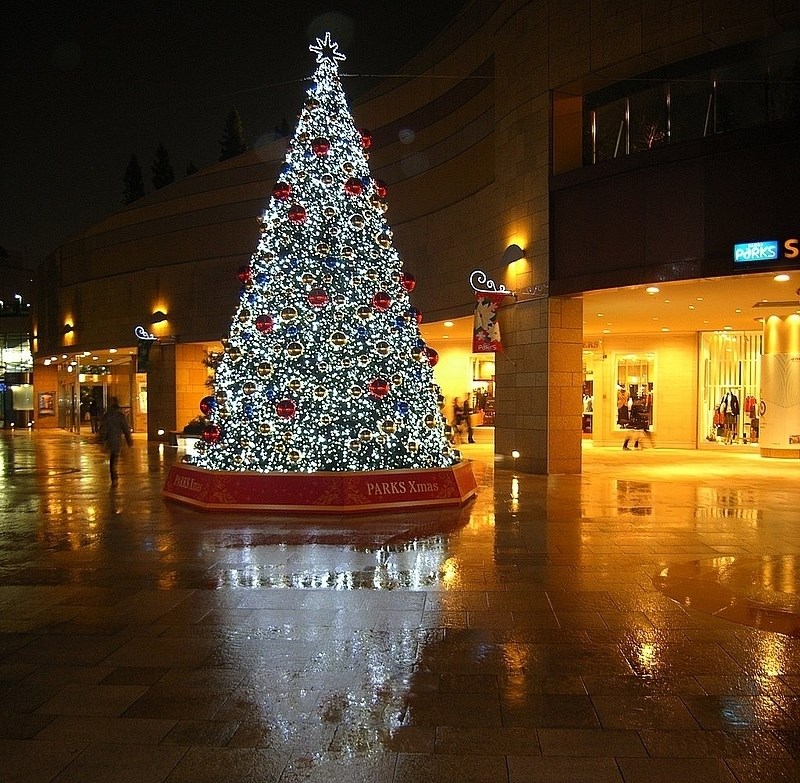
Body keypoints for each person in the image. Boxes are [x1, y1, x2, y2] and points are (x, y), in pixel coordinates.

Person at [98, 398, 133, 482]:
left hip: (109, 440)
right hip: (117, 440)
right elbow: (126, 429)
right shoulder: (120, 416)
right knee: (114, 458)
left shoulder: (107, 415)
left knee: (112, 458)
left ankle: (113, 476)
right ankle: (114, 476)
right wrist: (129, 441)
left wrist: (101, 440)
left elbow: (103, 429)